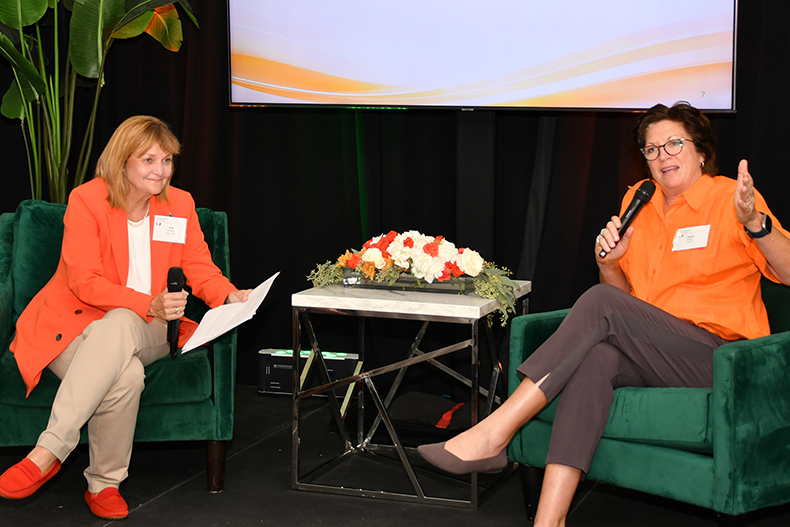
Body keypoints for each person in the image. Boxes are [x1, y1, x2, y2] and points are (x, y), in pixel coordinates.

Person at [417, 102, 790, 526]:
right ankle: (549, 522)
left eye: (673, 144)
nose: (663, 156)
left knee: (598, 302)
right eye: (651, 149)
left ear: (700, 151)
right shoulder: (639, 200)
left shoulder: (730, 199)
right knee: (597, 359)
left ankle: (497, 430)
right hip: (655, 350)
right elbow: (624, 302)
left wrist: (756, 222)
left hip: (722, 359)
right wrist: (610, 263)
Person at [0, 116, 252, 520]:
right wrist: (144, 301)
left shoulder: (179, 203)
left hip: (149, 328)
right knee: (127, 376)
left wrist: (230, 294)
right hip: (72, 326)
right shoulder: (87, 200)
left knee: (120, 322)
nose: (161, 170)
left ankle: (48, 451)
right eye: (149, 160)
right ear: (122, 162)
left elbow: (199, 266)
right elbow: (84, 282)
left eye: (167, 160)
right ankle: (104, 484)